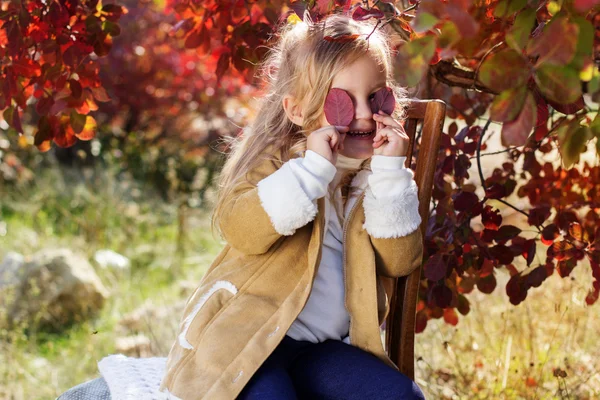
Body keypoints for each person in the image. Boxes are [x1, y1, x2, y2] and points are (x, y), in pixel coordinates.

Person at [159, 11, 425, 400]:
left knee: (400, 397)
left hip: (322, 352)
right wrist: (312, 172)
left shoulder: (381, 181)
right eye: (343, 102)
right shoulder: (279, 166)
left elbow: (401, 261)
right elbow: (240, 228)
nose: (366, 114)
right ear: (298, 110)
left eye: (377, 97)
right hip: (249, 341)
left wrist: (389, 172)